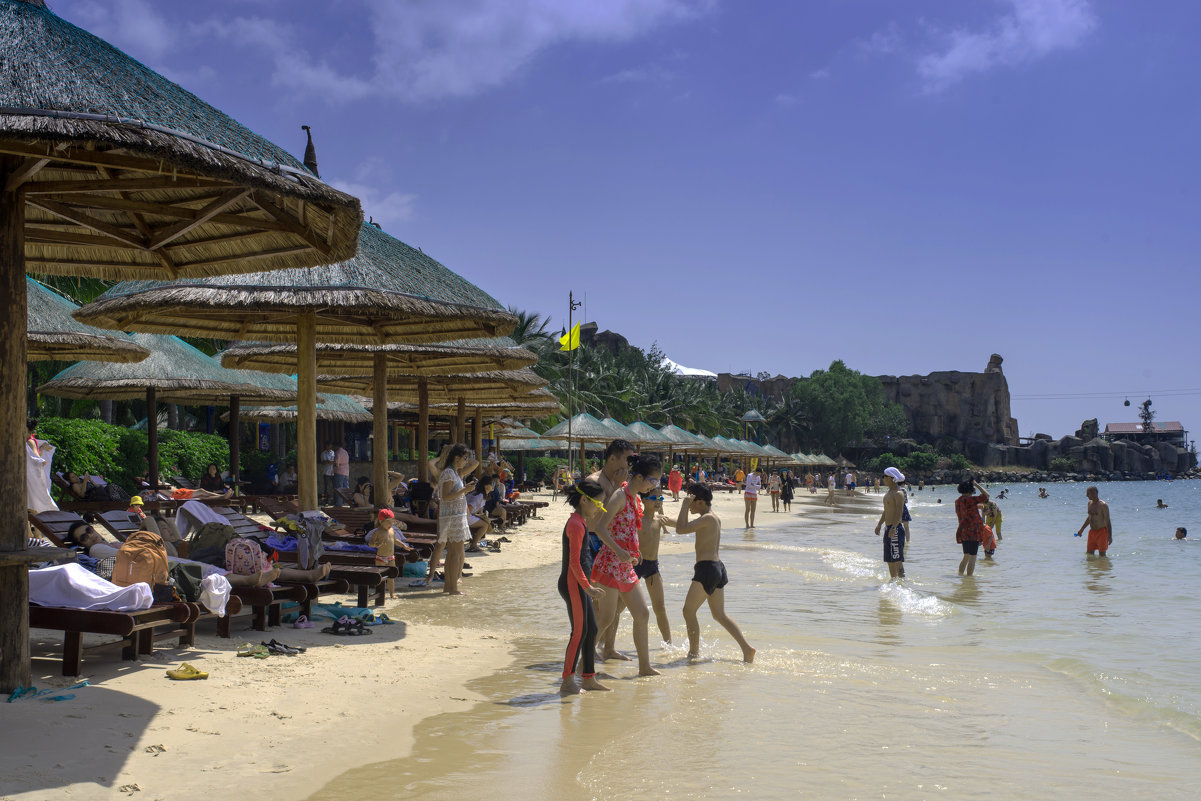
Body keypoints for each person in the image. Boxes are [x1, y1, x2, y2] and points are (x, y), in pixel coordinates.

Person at [591, 454, 663, 677]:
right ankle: (582, 656)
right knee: (606, 618)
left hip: (625, 564)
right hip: (611, 563)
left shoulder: (635, 498)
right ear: (639, 477)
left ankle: (644, 667)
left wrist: (634, 550)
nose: (654, 487)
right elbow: (600, 529)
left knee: (642, 614)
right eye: (652, 481)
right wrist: (620, 551)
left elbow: (627, 529)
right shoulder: (620, 497)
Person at [669, 483, 755, 663]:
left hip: (707, 568)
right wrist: (665, 520)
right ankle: (747, 649)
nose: (690, 505)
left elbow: (681, 529)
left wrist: (684, 505)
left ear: (700, 502)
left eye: (692, 501)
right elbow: (685, 525)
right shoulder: (711, 517)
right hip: (717, 568)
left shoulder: (707, 518)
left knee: (688, 611)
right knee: (719, 615)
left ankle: (693, 653)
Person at [558, 478, 611, 696]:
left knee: (592, 630)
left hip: (580, 584)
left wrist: (588, 585)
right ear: (583, 500)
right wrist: (587, 587)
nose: (599, 509)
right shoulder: (575, 525)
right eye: (597, 504)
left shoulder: (581, 522)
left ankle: (588, 678)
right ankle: (568, 682)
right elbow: (574, 562)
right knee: (579, 633)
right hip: (574, 585)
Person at [429, 444, 479, 595]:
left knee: (452, 554)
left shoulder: (453, 473)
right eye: (464, 458)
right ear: (457, 458)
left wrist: (464, 489)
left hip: (454, 516)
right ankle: (453, 589)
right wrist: (465, 490)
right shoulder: (449, 473)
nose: (466, 461)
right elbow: (446, 496)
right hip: (453, 517)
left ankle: (449, 587)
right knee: (455, 554)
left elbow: (474, 464)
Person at [636, 488, 672, 645]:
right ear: (644, 500)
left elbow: (684, 526)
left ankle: (669, 645)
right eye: (654, 498)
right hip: (635, 565)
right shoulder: (636, 519)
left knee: (660, 608)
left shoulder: (660, 519)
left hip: (652, 567)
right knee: (618, 608)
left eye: (660, 498)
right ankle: (605, 643)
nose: (658, 501)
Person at [368, 509, 412, 599]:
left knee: (391, 576)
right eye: (388, 523)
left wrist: (404, 546)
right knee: (380, 577)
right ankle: (379, 594)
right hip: (380, 558)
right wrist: (376, 544)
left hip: (391, 557)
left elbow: (395, 540)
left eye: (392, 522)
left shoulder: (392, 530)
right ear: (381, 521)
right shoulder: (377, 532)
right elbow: (370, 543)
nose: (391, 525)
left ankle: (392, 594)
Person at [874, 466, 908, 579]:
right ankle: (893, 580)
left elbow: (899, 512)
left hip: (896, 529)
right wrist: (879, 524)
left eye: (884, 476)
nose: (883, 478)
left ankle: (901, 581)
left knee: (897, 558)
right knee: (889, 558)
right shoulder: (888, 493)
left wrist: (894, 527)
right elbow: (886, 511)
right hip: (888, 528)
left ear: (892, 478)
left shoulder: (898, 493)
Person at [955, 479, 989, 576]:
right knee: (973, 557)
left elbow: (966, 508)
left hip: (963, 531)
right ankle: (969, 580)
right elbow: (987, 495)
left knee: (966, 556)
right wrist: (976, 484)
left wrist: (977, 506)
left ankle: (960, 576)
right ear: (971, 490)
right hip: (973, 532)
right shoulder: (970, 500)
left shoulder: (958, 501)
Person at [25, 418, 58, 513]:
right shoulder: (30, 440)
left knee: (33, 506)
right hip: (31, 475)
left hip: (32, 476)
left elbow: (36, 457)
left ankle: (37, 528)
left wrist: (42, 448)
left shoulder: (30, 441)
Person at [1076, 486, 1113, 557]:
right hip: (1092, 532)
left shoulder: (1103, 505)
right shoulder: (1089, 503)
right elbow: (1089, 517)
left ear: (1094, 493)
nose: (1086, 495)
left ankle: (1102, 567)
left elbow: (1108, 521)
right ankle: (1092, 568)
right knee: (1089, 554)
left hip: (1102, 532)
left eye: (1088, 493)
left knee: (1102, 555)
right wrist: (1082, 529)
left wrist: (1110, 536)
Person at [333, 442, 350, 506]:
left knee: (339, 489)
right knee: (346, 488)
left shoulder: (338, 452)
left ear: (336, 446)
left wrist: (334, 465)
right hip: (346, 472)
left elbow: (336, 464)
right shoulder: (345, 452)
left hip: (339, 472)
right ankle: (347, 503)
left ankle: (338, 504)